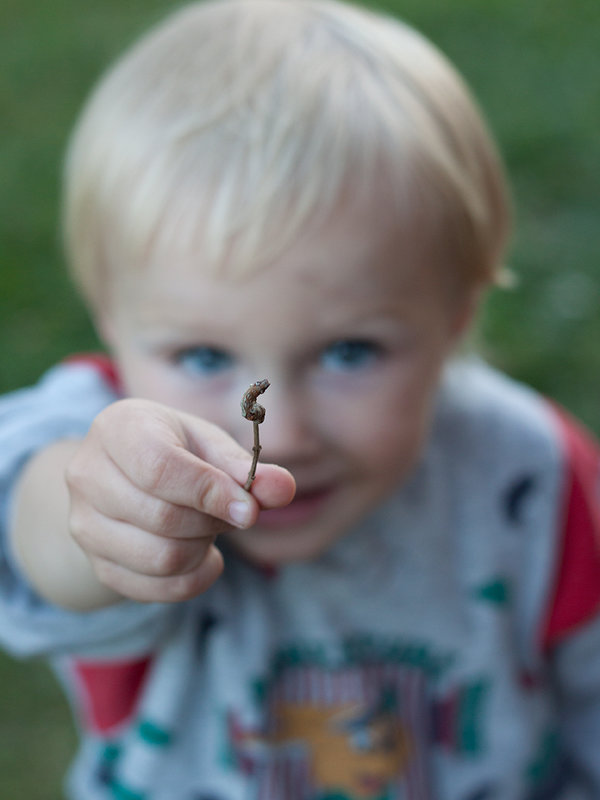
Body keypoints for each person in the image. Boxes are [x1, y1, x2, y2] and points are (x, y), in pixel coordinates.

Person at [1, 0, 600, 797]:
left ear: (455, 319)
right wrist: (106, 511)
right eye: (203, 353)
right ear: (112, 321)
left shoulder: (528, 471)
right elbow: (40, 527)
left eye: (350, 352)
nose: (279, 433)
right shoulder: (96, 438)